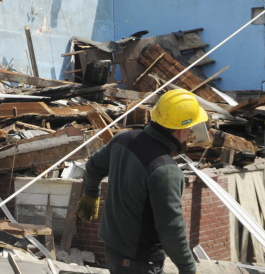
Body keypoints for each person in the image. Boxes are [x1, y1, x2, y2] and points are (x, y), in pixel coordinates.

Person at [76, 89, 202, 274]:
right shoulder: (165, 170)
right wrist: (188, 268)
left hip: (113, 250)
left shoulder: (123, 140)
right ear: (181, 129)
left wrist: (90, 193)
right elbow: (171, 229)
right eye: (191, 125)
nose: (191, 130)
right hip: (139, 261)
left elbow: (93, 166)